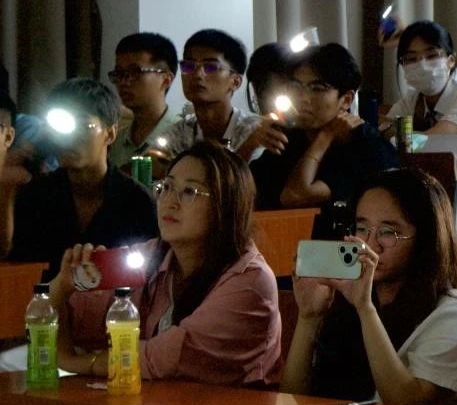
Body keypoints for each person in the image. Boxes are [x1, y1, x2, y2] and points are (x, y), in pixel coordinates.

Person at [45, 142, 282, 386]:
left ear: (226, 205)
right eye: (166, 187)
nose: (170, 201)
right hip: (158, 403)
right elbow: (71, 322)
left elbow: (165, 357)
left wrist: (75, 362)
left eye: (189, 191)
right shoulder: (150, 255)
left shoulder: (250, 280)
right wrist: (62, 287)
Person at [282, 168, 457, 405]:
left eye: (388, 232)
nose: (370, 245)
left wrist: (365, 310)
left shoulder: (452, 311)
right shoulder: (345, 298)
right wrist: (308, 318)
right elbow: (291, 401)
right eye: (361, 228)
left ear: (425, 240)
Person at [0, 78, 157, 277]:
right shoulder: (35, 196)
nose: (68, 138)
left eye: (84, 125)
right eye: (60, 126)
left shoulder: (137, 202)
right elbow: (21, 270)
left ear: (110, 133)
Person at [250, 43, 400, 212]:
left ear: (346, 100)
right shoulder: (293, 136)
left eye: (317, 88)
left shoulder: (365, 146)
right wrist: (250, 143)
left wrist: (325, 137)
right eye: (296, 86)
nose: (303, 98)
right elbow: (240, 189)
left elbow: (295, 196)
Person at [155, 30, 283, 161]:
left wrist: (249, 146)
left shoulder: (256, 130)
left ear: (235, 81)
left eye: (210, 67)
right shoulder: (179, 132)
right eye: (188, 66)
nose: (197, 74)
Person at [382, 21, 457, 135]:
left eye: (431, 56)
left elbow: (436, 139)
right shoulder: (412, 100)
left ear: (451, 60)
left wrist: (395, 134)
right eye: (412, 58)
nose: (422, 65)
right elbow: (383, 127)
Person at [108, 31, 180, 171]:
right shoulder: (114, 141)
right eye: (119, 73)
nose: (123, 82)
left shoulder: (184, 137)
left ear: (166, 80)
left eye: (135, 73)